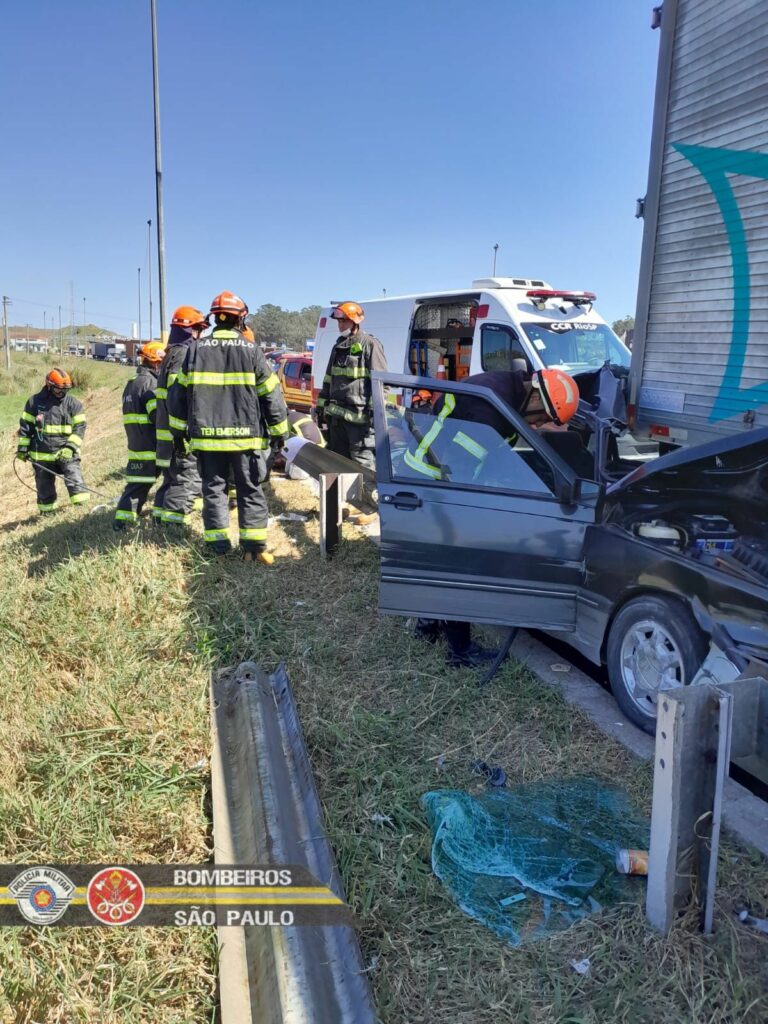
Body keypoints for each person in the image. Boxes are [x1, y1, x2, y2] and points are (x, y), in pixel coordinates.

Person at [413, 367, 580, 667]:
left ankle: (426, 626)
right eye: (543, 416)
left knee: (437, 562)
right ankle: (459, 651)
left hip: (439, 474)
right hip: (435, 479)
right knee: (459, 564)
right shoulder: (491, 409)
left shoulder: (510, 394)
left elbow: (494, 457)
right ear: (535, 396)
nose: (540, 424)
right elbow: (462, 468)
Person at [167, 291, 289, 563]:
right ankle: (254, 549)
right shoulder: (251, 350)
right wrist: (280, 432)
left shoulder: (195, 350)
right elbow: (271, 393)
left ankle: (218, 550)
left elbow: (178, 395)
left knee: (214, 491)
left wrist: (178, 433)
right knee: (250, 490)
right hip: (245, 440)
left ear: (214, 319)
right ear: (239, 319)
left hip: (207, 440)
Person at [315, 301, 387, 473]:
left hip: (359, 422)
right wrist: (320, 408)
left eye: (343, 321)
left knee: (363, 466)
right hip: (336, 420)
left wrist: (375, 414)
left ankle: (369, 499)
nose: (340, 326)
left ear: (355, 321)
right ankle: (340, 500)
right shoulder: (338, 347)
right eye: (339, 322)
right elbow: (328, 379)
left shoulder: (370, 345)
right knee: (337, 465)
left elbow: (381, 383)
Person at [154, 306, 209, 525]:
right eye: (199, 330)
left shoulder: (172, 354)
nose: (201, 335)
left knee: (171, 480)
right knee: (186, 479)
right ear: (190, 330)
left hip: (167, 431)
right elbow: (179, 396)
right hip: (179, 434)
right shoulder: (184, 354)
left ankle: (159, 521)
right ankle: (172, 528)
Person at [16, 368, 89, 514]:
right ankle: (47, 512)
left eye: (65, 390)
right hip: (41, 456)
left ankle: (82, 511)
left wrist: (71, 448)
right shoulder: (34, 402)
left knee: (74, 479)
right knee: (44, 487)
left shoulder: (73, 404)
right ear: (49, 385)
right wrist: (23, 449)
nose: (62, 393)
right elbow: (26, 427)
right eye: (58, 390)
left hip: (66, 453)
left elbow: (80, 427)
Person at [113, 341, 165, 530]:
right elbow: (156, 416)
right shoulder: (150, 383)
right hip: (151, 444)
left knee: (137, 484)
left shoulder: (132, 383)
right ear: (156, 362)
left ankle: (124, 519)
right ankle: (125, 523)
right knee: (169, 481)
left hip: (137, 443)